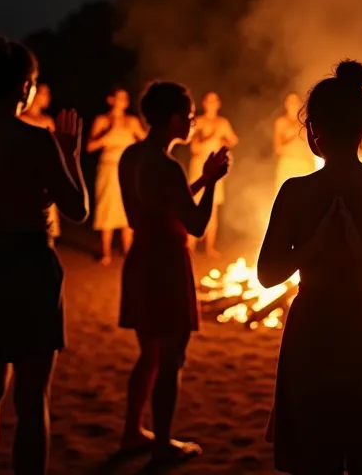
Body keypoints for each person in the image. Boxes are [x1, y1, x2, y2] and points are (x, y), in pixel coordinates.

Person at [258, 61, 362, 475]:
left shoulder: (296, 191)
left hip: (313, 325)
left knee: (316, 455)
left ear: (313, 131)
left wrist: (310, 249)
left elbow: (267, 274)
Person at [0, 34, 90, 475]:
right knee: (32, 398)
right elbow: (77, 209)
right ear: (24, 87)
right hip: (30, 263)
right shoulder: (37, 138)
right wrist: (70, 156)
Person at [117, 82, 229, 463]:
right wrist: (212, 183)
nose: (194, 123)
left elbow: (160, 204)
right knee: (170, 357)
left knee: (148, 352)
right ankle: (162, 445)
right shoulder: (165, 165)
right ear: (175, 119)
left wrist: (199, 180)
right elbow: (195, 223)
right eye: (191, 116)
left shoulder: (132, 156)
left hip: (140, 257)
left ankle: (132, 432)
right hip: (165, 263)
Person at [88, 87, 145, 265]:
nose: (123, 102)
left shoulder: (132, 121)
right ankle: (106, 253)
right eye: (119, 98)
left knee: (127, 208)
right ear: (110, 99)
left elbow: (147, 142)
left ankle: (128, 250)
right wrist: (109, 134)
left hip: (128, 169)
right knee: (107, 208)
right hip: (108, 168)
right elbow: (90, 147)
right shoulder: (102, 120)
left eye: (126, 99)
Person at [187, 91, 238, 257]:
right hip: (199, 165)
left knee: (213, 206)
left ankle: (209, 247)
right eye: (209, 101)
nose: (212, 104)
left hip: (215, 166)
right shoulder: (198, 122)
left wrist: (223, 140)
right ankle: (190, 246)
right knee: (193, 203)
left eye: (214, 100)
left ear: (218, 104)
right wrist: (211, 136)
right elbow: (194, 147)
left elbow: (233, 139)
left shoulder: (222, 122)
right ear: (204, 103)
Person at [20, 82, 62, 243]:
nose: (48, 97)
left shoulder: (48, 120)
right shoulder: (22, 118)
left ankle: (47, 248)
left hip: (45, 173)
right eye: (44, 93)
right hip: (26, 172)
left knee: (47, 215)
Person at [274, 92, 317, 194]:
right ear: (286, 104)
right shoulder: (281, 123)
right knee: (287, 196)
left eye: (296, 102)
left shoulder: (305, 124)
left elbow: (311, 146)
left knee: (305, 196)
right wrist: (291, 135)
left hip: (304, 164)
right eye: (291, 102)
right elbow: (278, 148)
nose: (293, 105)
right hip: (288, 164)